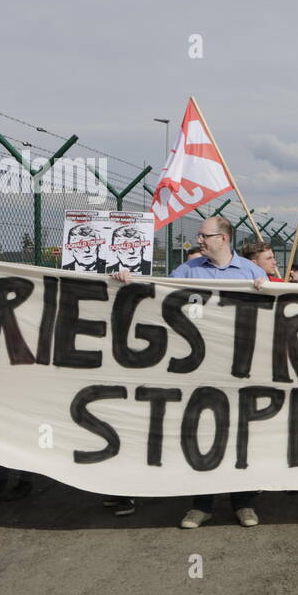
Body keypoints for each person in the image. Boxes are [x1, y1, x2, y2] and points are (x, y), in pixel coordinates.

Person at [111, 216, 267, 528]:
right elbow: (159, 293)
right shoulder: (189, 270)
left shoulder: (253, 272)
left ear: (222, 238)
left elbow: (278, 311)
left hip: (242, 367)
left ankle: (244, 503)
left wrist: (268, 289)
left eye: (203, 235)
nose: (197, 240)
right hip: (199, 366)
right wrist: (125, 280)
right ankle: (201, 505)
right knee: (201, 431)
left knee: (241, 432)